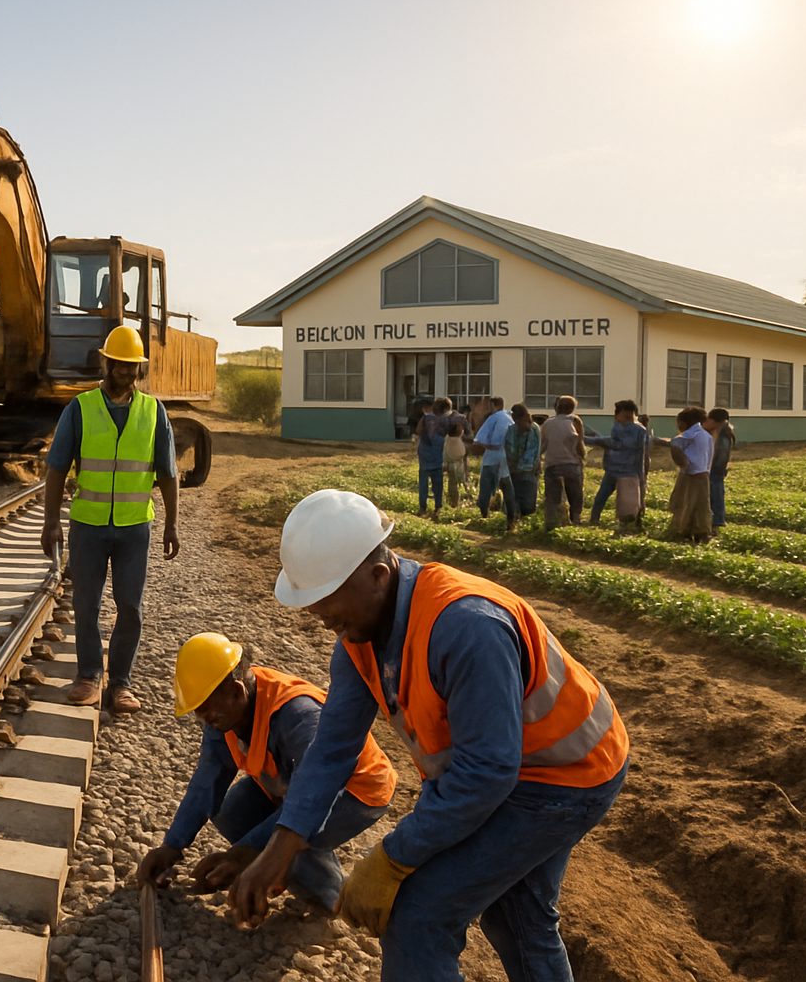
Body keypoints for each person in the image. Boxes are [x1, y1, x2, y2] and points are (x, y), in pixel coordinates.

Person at [229, 490, 629, 981]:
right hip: (514, 766)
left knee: (419, 916)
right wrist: (278, 850)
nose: (321, 617)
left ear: (378, 576)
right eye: (312, 604)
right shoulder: (360, 637)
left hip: (566, 774)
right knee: (517, 917)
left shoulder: (466, 627)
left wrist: (392, 857)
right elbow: (330, 751)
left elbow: (486, 775)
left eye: (327, 601)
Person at [137, 633, 396, 913]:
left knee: (291, 839)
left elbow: (312, 799)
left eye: (205, 709)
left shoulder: (297, 716)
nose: (202, 719)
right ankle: (286, 872)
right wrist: (172, 845)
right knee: (232, 811)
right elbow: (207, 783)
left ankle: (328, 900)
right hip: (292, 782)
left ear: (237, 691)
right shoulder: (225, 717)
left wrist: (248, 855)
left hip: (353, 789)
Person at [41, 325, 180, 713]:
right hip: (88, 525)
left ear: (139, 368)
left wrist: (171, 523)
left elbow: (168, 473)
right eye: (118, 363)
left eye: (131, 364)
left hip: (135, 527)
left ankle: (120, 683)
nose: (125, 370)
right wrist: (51, 521)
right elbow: (56, 468)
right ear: (106, 363)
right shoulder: (80, 408)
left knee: (130, 606)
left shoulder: (154, 412)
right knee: (86, 603)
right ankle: (88, 675)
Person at [586, 400, 651, 532]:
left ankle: (628, 526)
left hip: (629, 472)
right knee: (604, 497)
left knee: (627, 503)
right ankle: (595, 520)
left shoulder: (636, 430)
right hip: (614, 469)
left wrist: (591, 440)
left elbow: (619, 444)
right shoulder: (619, 426)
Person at [655, 406, 714, 542]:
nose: (678, 426)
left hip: (690, 474)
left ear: (686, 423)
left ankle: (682, 532)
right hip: (703, 473)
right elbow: (710, 456)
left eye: (679, 423)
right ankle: (702, 533)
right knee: (701, 505)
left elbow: (675, 442)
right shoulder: (706, 435)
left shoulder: (691, 433)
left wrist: (682, 463)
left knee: (683, 503)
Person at [539, 395, 586, 529]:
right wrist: (582, 459)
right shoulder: (575, 421)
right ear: (572, 409)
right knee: (575, 495)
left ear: (557, 407)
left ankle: (551, 524)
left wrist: (538, 459)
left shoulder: (548, 423)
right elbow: (580, 445)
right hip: (572, 465)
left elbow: (542, 445)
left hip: (552, 465)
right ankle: (575, 519)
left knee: (553, 498)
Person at [473, 396, 518, 530]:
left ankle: (484, 515)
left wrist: (486, 445)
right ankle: (511, 518)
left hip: (492, 457)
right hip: (506, 457)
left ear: (493, 406)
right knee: (507, 487)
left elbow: (483, 439)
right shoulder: (509, 417)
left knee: (486, 486)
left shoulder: (494, 418)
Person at [430, 398, 471, 507]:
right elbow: (470, 436)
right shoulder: (461, 418)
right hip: (460, 451)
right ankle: (464, 499)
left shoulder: (438, 420)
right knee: (461, 477)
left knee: (445, 479)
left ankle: (447, 502)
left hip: (445, 452)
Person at [504, 404, 541, 518]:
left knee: (527, 504)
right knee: (514, 502)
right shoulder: (512, 429)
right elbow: (509, 449)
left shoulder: (534, 429)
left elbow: (532, 451)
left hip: (527, 470)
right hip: (516, 471)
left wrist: (517, 465)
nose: (518, 424)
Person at [705, 408, 736, 531]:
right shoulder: (723, 430)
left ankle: (716, 524)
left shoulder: (723, 433)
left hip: (715, 470)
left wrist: (713, 467)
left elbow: (720, 455)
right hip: (716, 470)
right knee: (715, 496)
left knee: (715, 496)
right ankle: (714, 524)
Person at [415, 399, 445, 518]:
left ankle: (423, 508)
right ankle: (438, 508)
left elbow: (418, 431)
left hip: (425, 457)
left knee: (423, 484)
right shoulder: (442, 419)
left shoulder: (425, 419)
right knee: (438, 485)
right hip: (437, 457)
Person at [442, 420, 473, 504]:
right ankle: (458, 499)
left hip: (450, 465)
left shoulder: (448, 439)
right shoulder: (457, 441)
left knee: (452, 483)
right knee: (461, 483)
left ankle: (453, 500)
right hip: (458, 465)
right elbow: (462, 453)